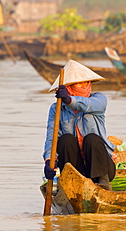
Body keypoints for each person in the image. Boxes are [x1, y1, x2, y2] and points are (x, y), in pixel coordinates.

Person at [43, 60, 116, 190]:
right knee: (65, 140)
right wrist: (49, 160)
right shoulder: (57, 108)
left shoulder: (99, 100)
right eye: (79, 83)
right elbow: (51, 137)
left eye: (86, 82)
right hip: (75, 168)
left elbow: (86, 104)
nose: (84, 86)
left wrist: (69, 99)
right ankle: (73, 180)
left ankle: (103, 182)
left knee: (92, 138)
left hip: (101, 166)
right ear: (68, 86)